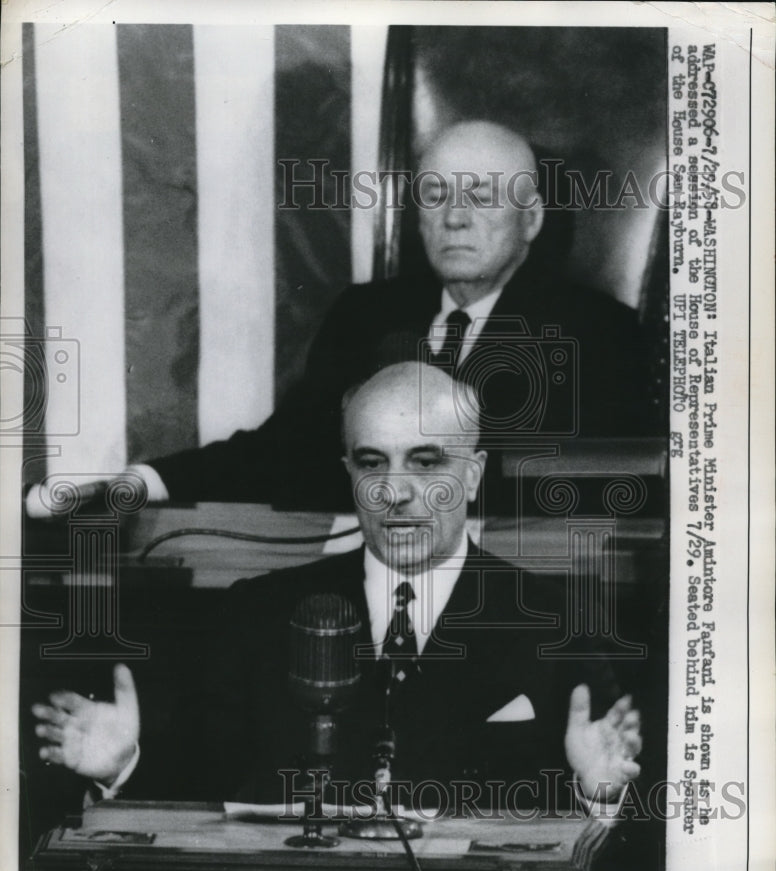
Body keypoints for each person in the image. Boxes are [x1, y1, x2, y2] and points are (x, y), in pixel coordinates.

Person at [31, 363, 642, 812]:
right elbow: (197, 788)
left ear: (474, 475)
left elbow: (614, 836)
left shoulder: (558, 622)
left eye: (426, 462)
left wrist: (601, 794)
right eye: (373, 463)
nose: (394, 492)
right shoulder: (258, 613)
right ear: (349, 473)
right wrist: (123, 766)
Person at [26, 120, 662, 517]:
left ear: (532, 219)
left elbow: (602, 490)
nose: (455, 217)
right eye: (436, 195)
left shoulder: (598, 334)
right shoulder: (368, 314)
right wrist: (141, 482)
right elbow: (287, 449)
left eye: (482, 195)